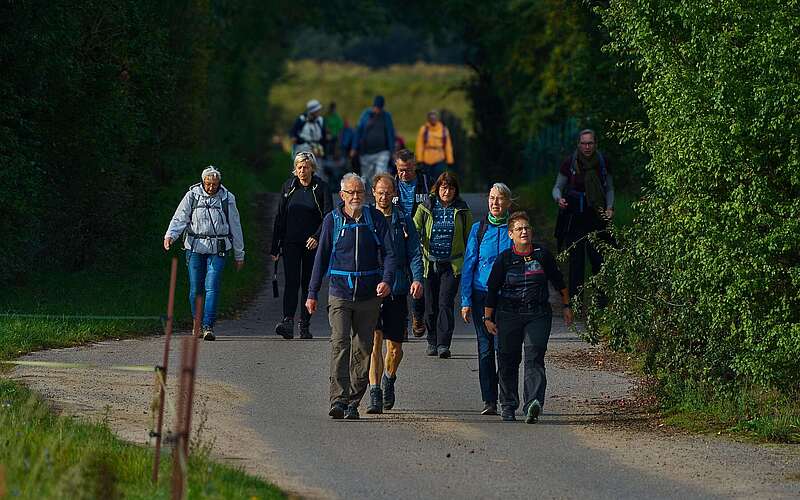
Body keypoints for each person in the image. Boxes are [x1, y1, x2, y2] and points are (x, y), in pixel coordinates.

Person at [306, 173, 397, 420]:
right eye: (351, 192)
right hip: (340, 293)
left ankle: (353, 401)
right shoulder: (332, 220)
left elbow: (390, 254)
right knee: (340, 343)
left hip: (369, 295)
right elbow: (321, 258)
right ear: (342, 195)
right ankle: (338, 398)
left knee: (363, 348)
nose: (356, 196)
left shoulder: (375, 218)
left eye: (360, 192)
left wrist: (387, 281)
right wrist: (312, 293)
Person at [484, 211, 573, 423]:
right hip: (508, 314)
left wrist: (567, 306)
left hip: (538, 314)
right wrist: (487, 318)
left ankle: (533, 404)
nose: (524, 232)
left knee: (534, 357)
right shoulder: (504, 259)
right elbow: (492, 290)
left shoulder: (542, 255)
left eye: (527, 228)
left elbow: (559, 282)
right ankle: (508, 405)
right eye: (519, 229)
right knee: (508, 359)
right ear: (511, 234)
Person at [164, 166, 245, 341]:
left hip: (218, 248)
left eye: (214, 184)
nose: (211, 187)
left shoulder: (227, 198)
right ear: (203, 182)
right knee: (195, 287)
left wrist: (239, 254)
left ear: (219, 183)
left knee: (212, 286)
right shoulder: (192, 196)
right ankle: (197, 321)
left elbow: (235, 225)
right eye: (208, 184)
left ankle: (208, 325)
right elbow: (180, 217)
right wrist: (170, 235)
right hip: (195, 247)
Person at [366, 174, 424, 414]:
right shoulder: (366, 218)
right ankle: (375, 393)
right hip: (372, 288)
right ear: (373, 192)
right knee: (374, 342)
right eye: (380, 192)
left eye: (388, 192)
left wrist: (417, 279)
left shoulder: (403, 220)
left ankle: (389, 377)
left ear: (394, 194)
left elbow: (415, 252)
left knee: (395, 349)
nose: (383, 196)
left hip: (397, 288)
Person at [460, 183, 513, 415]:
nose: (495, 203)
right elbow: (469, 264)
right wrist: (465, 300)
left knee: (505, 349)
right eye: (491, 198)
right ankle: (489, 400)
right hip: (482, 295)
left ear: (508, 202)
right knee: (485, 348)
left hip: (507, 296)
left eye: (499, 198)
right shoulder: (478, 229)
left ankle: (506, 398)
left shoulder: (515, 229)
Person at [270, 152, 332, 339]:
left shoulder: (321, 188)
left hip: (312, 244)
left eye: (306, 167)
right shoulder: (288, 187)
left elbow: (328, 217)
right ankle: (287, 321)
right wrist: (275, 246)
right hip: (291, 242)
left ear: (312, 168)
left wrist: (317, 236)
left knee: (308, 284)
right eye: (299, 167)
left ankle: (305, 325)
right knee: (291, 282)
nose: (302, 171)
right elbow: (280, 216)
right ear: (295, 169)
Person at [413, 172, 473, 358]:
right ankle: (432, 340)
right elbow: (415, 228)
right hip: (429, 264)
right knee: (431, 305)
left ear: (456, 191)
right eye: (444, 188)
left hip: (452, 265)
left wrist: (469, 262)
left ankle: (443, 344)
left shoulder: (462, 209)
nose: (447, 192)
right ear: (437, 189)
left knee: (445, 303)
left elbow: (470, 238)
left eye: (451, 188)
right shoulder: (426, 207)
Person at [552, 129, 615, 301]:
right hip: (574, 218)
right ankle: (575, 303)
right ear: (578, 144)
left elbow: (609, 188)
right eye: (584, 143)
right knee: (576, 262)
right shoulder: (570, 163)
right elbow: (557, 187)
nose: (587, 147)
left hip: (597, 217)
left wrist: (610, 207)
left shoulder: (603, 162)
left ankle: (601, 303)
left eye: (590, 143)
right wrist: (559, 199)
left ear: (595, 144)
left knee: (598, 260)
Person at [393, 149, 431, 337]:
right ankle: (401, 322)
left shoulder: (426, 182)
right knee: (399, 281)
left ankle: (418, 316)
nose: (404, 173)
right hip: (398, 237)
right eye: (401, 169)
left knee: (418, 278)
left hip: (421, 238)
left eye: (408, 169)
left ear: (415, 166)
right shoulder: (391, 184)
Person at [351, 95, 396, 189]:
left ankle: (379, 193)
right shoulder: (366, 115)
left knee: (381, 175)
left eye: (379, 108)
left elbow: (390, 133)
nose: (377, 110)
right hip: (366, 152)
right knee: (367, 177)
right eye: (376, 107)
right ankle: (368, 193)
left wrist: (392, 151)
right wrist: (354, 148)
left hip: (382, 151)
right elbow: (358, 131)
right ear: (373, 106)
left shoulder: (386, 116)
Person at [415, 110, 454, 181]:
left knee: (439, 178)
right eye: (431, 118)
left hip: (439, 158)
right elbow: (420, 145)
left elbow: (448, 146)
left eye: (434, 118)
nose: (433, 119)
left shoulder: (443, 129)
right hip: (426, 159)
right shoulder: (424, 129)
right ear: (428, 119)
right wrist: (419, 160)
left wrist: (449, 160)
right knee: (427, 179)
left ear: (437, 119)